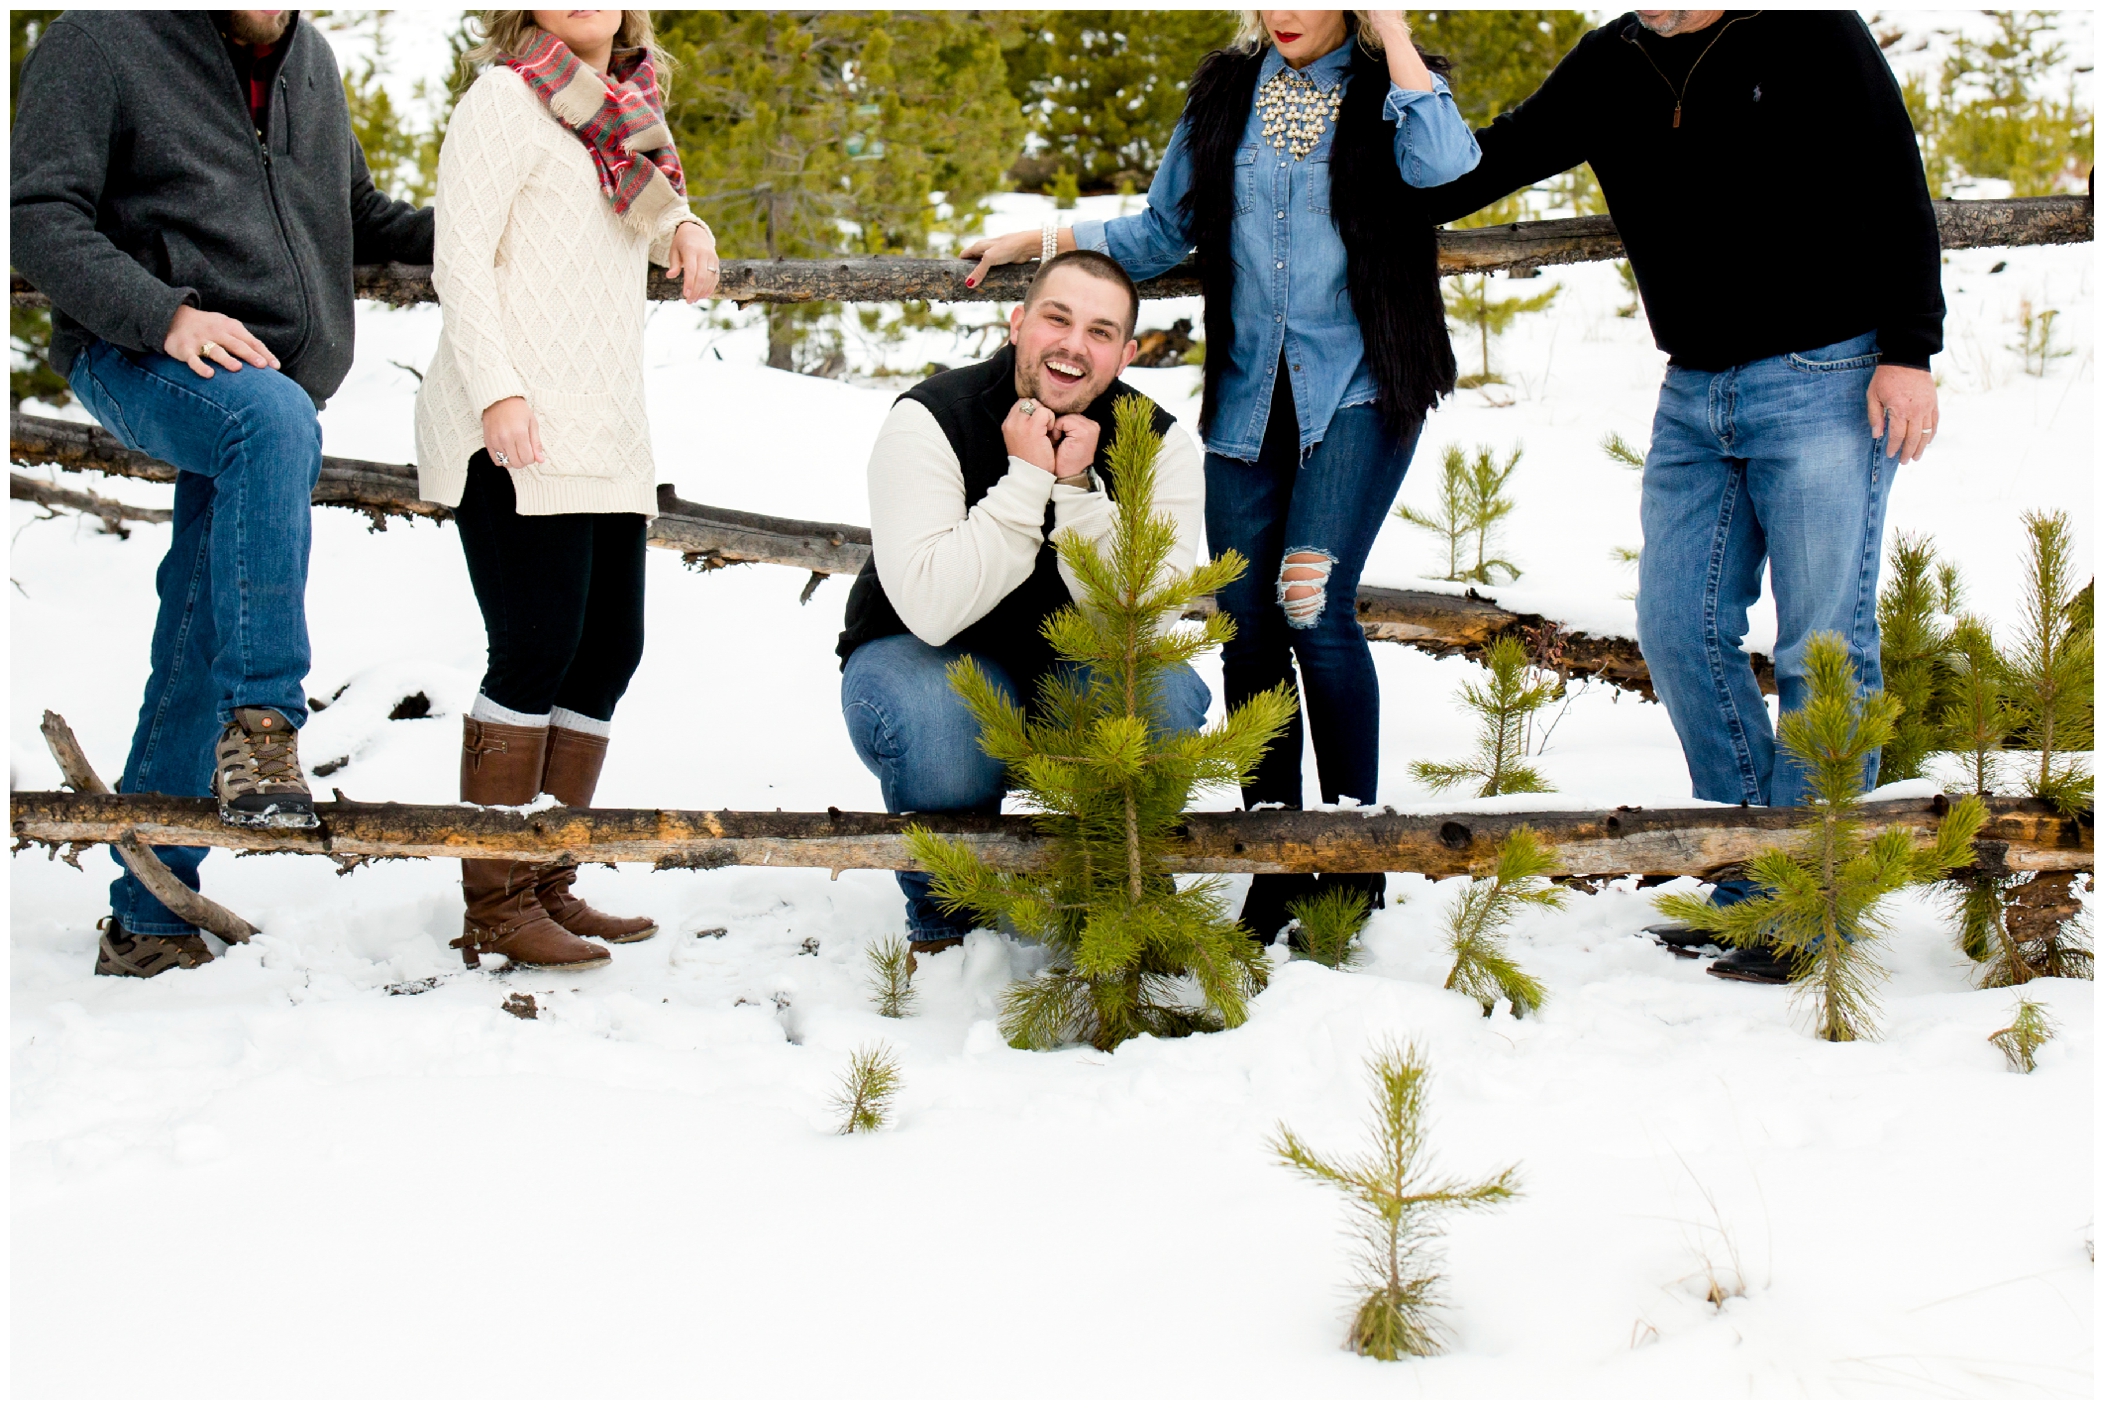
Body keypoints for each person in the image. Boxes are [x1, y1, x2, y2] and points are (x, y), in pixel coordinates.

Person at [1421, 10, 1945, 983]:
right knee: (1676, 626)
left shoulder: (1812, 31)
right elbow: (1476, 169)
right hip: (1695, 392)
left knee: (1823, 643)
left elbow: (1894, 185)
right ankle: (1748, 877)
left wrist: (1910, 351)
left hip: (1827, 373)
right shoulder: (1608, 60)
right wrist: (1379, 118)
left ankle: (1812, 907)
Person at [960, 10, 1480, 944]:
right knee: (1244, 622)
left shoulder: (1394, 90)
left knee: (1313, 605)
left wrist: (1394, 31)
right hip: (1248, 398)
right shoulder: (1224, 94)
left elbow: (1449, 169)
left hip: (1359, 387)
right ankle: (1272, 859)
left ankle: (1352, 856)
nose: (1285, 14)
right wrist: (1038, 243)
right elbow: (1164, 230)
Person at [10, 10, 434, 978]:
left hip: (264, 385)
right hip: (136, 351)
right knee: (272, 423)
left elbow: (355, 214)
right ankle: (265, 727)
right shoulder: (103, 37)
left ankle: (149, 915)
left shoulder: (310, 65)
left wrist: (492, 236)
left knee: (206, 617)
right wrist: (163, 316)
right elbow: (36, 214)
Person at [415, 9, 718, 972]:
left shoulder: (632, 115)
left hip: (605, 424)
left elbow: (654, 207)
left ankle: (550, 878)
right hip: (513, 415)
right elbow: (459, 261)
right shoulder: (503, 99)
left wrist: (689, 220)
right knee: (537, 645)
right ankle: (497, 904)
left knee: (607, 651)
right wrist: (498, 390)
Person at [837, 251, 1211, 953]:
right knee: (940, 716)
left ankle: (1115, 894)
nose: (1074, 345)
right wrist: (1024, 482)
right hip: (926, 657)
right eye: (1057, 319)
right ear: (1018, 323)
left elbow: (1142, 626)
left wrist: (1076, 495)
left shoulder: (1158, 446)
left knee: (1161, 697)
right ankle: (949, 921)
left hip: (1077, 667)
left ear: (1126, 354)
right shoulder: (929, 419)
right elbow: (933, 609)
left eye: (1100, 332)